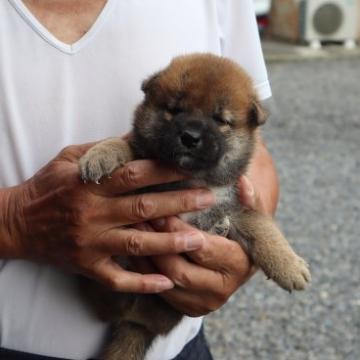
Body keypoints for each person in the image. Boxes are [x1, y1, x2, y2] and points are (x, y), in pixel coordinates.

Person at [0, 0, 279, 359]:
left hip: (172, 346)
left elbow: (255, 153)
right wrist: (13, 221)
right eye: (175, 112)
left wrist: (239, 255)